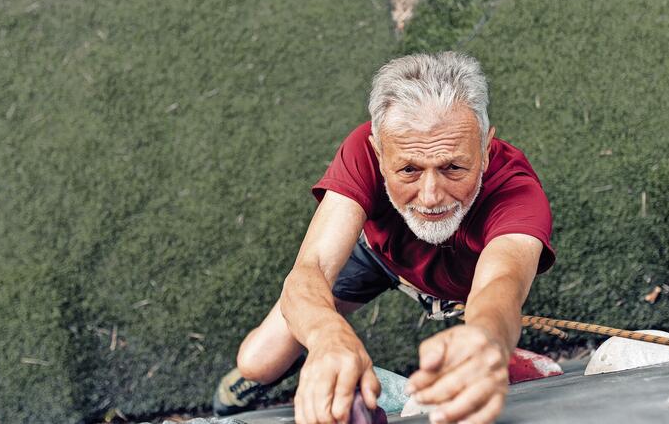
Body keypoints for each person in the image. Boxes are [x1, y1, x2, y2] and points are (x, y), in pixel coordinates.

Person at [213, 52, 555, 424]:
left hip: (465, 286)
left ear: (486, 151)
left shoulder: (517, 191)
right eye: (409, 169)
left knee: (484, 329)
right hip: (379, 255)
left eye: (453, 167)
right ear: (378, 151)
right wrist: (328, 337)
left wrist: (488, 338)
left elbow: (499, 288)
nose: (430, 196)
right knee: (258, 361)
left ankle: (500, 354)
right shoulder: (362, 149)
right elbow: (308, 271)